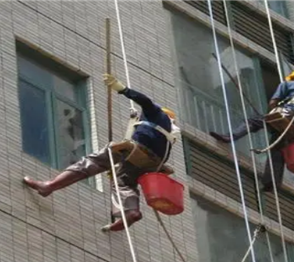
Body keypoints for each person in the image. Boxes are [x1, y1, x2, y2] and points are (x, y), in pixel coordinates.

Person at [23, 73, 178, 232]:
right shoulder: (170, 135)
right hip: (151, 162)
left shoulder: (157, 114)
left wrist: (122, 88)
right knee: (124, 182)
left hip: (139, 150)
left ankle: (49, 186)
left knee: (92, 162)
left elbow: (145, 101)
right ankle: (131, 211)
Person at [209, 69, 294, 192]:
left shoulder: (288, 84)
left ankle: (229, 137)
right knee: (278, 150)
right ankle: (271, 183)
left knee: (253, 121)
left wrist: (271, 114)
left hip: (288, 116)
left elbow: (273, 101)